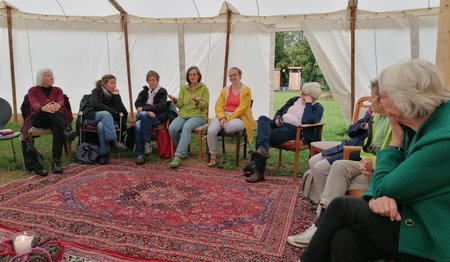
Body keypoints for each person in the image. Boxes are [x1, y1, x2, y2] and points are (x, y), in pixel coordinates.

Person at [300, 60, 450, 262]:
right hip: (412, 217)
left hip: (434, 238)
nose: (378, 100)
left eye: (383, 95)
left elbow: (386, 186)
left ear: (405, 98)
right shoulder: (419, 123)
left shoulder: (442, 140)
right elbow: (384, 187)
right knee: (344, 239)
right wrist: (376, 197)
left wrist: (394, 144)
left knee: (341, 206)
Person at [288, 80, 392, 248]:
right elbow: (355, 132)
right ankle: (324, 210)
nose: (369, 102)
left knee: (325, 166)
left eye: (372, 97)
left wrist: (369, 160)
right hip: (360, 152)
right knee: (320, 162)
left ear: (382, 99)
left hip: (358, 153)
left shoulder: (392, 122)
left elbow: (386, 153)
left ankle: (321, 222)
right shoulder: (376, 116)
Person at [307, 80, 376, 197]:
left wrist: (369, 125)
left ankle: (327, 201)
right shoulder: (370, 113)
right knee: (312, 160)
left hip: (357, 150)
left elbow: (371, 143)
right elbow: (351, 131)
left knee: (320, 167)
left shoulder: (382, 119)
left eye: (372, 96)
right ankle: (321, 199)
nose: (369, 100)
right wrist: (363, 125)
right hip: (349, 143)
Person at [245, 82, 324, 183]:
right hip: (280, 124)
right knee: (263, 119)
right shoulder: (295, 100)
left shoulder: (317, 107)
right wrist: (278, 118)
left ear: (311, 96)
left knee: (264, 136)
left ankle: (258, 170)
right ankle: (261, 153)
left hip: (293, 130)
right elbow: (280, 111)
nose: (301, 94)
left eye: (303, 94)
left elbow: (309, 119)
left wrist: (308, 104)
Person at [25, 68, 76, 174]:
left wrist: (58, 105)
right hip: (39, 119)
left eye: (51, 75)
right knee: (49, 109)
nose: (51, 77)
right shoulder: (32, 90)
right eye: (47, 75)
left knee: (57, 128)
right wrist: (43, 108)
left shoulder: (57, 90)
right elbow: (34, 103)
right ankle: (66, 130)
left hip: (55, 120)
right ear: (41, 78)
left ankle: (56, 162)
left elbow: (61, 101)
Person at [206, 67, 255, 167]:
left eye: (235, 75)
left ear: (240, 76)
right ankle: (213, 157)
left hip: (240, 117)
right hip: (223, 116)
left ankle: (223, 125)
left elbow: (242, 108)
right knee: (211, 131)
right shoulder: (225, 90)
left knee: (229, 127)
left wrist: (227, 119)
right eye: (230, 75)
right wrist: (222, 117)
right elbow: (218, 105)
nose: (232, 77)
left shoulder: (246, 90)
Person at [168, 66, 210, 168]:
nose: (192, 76)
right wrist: (175, 100)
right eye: (190, 75)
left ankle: (178, 156)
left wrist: (198, 102)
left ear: (198, 75)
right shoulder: (184, 88)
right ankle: (183, 151)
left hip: (198, 116)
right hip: (183, 115)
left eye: (194, 74)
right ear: (188, 76)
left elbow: (205, 105)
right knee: (172, 128)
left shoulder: (204, 88)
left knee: (187, 127)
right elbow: (180, 105)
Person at [83, 74, 128, 165]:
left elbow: (121, 109)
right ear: (104, 84)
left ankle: (104, 154)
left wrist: (117, 96)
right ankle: (113, 142)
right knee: (106, 114)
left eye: (115, 83)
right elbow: (94, 103)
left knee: (101, 126)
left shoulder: (114, 95)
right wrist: (111, 110)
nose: (114, 85)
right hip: (92, 117)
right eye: (111, 83)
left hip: (104, 122)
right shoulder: (96, 91)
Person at [134, 70, 168, 165]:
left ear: (158, 81)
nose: (152, 82)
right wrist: (148, 111)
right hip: (145, 116)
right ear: (147, 81)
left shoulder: (162, 92)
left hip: (157, 117)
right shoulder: (144, 92)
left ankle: (140, 154)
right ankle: (147, 143)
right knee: (144, 115)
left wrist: (145, 109)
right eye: (150, 80)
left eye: (154, 80)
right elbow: (137, 104)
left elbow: (161, 106)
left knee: (138, 124)